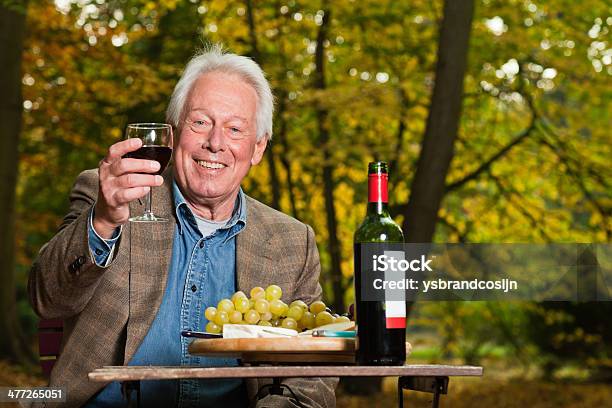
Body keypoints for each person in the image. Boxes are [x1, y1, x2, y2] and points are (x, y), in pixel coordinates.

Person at [28, 44, 337, 407]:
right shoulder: (111, 197)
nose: (215, 144)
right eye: (201, 122)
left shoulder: (291, 241)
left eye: (235, 129)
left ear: (258, 149)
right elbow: (47, 299)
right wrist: (103, 219)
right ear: (173, 134)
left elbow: (314, 370)